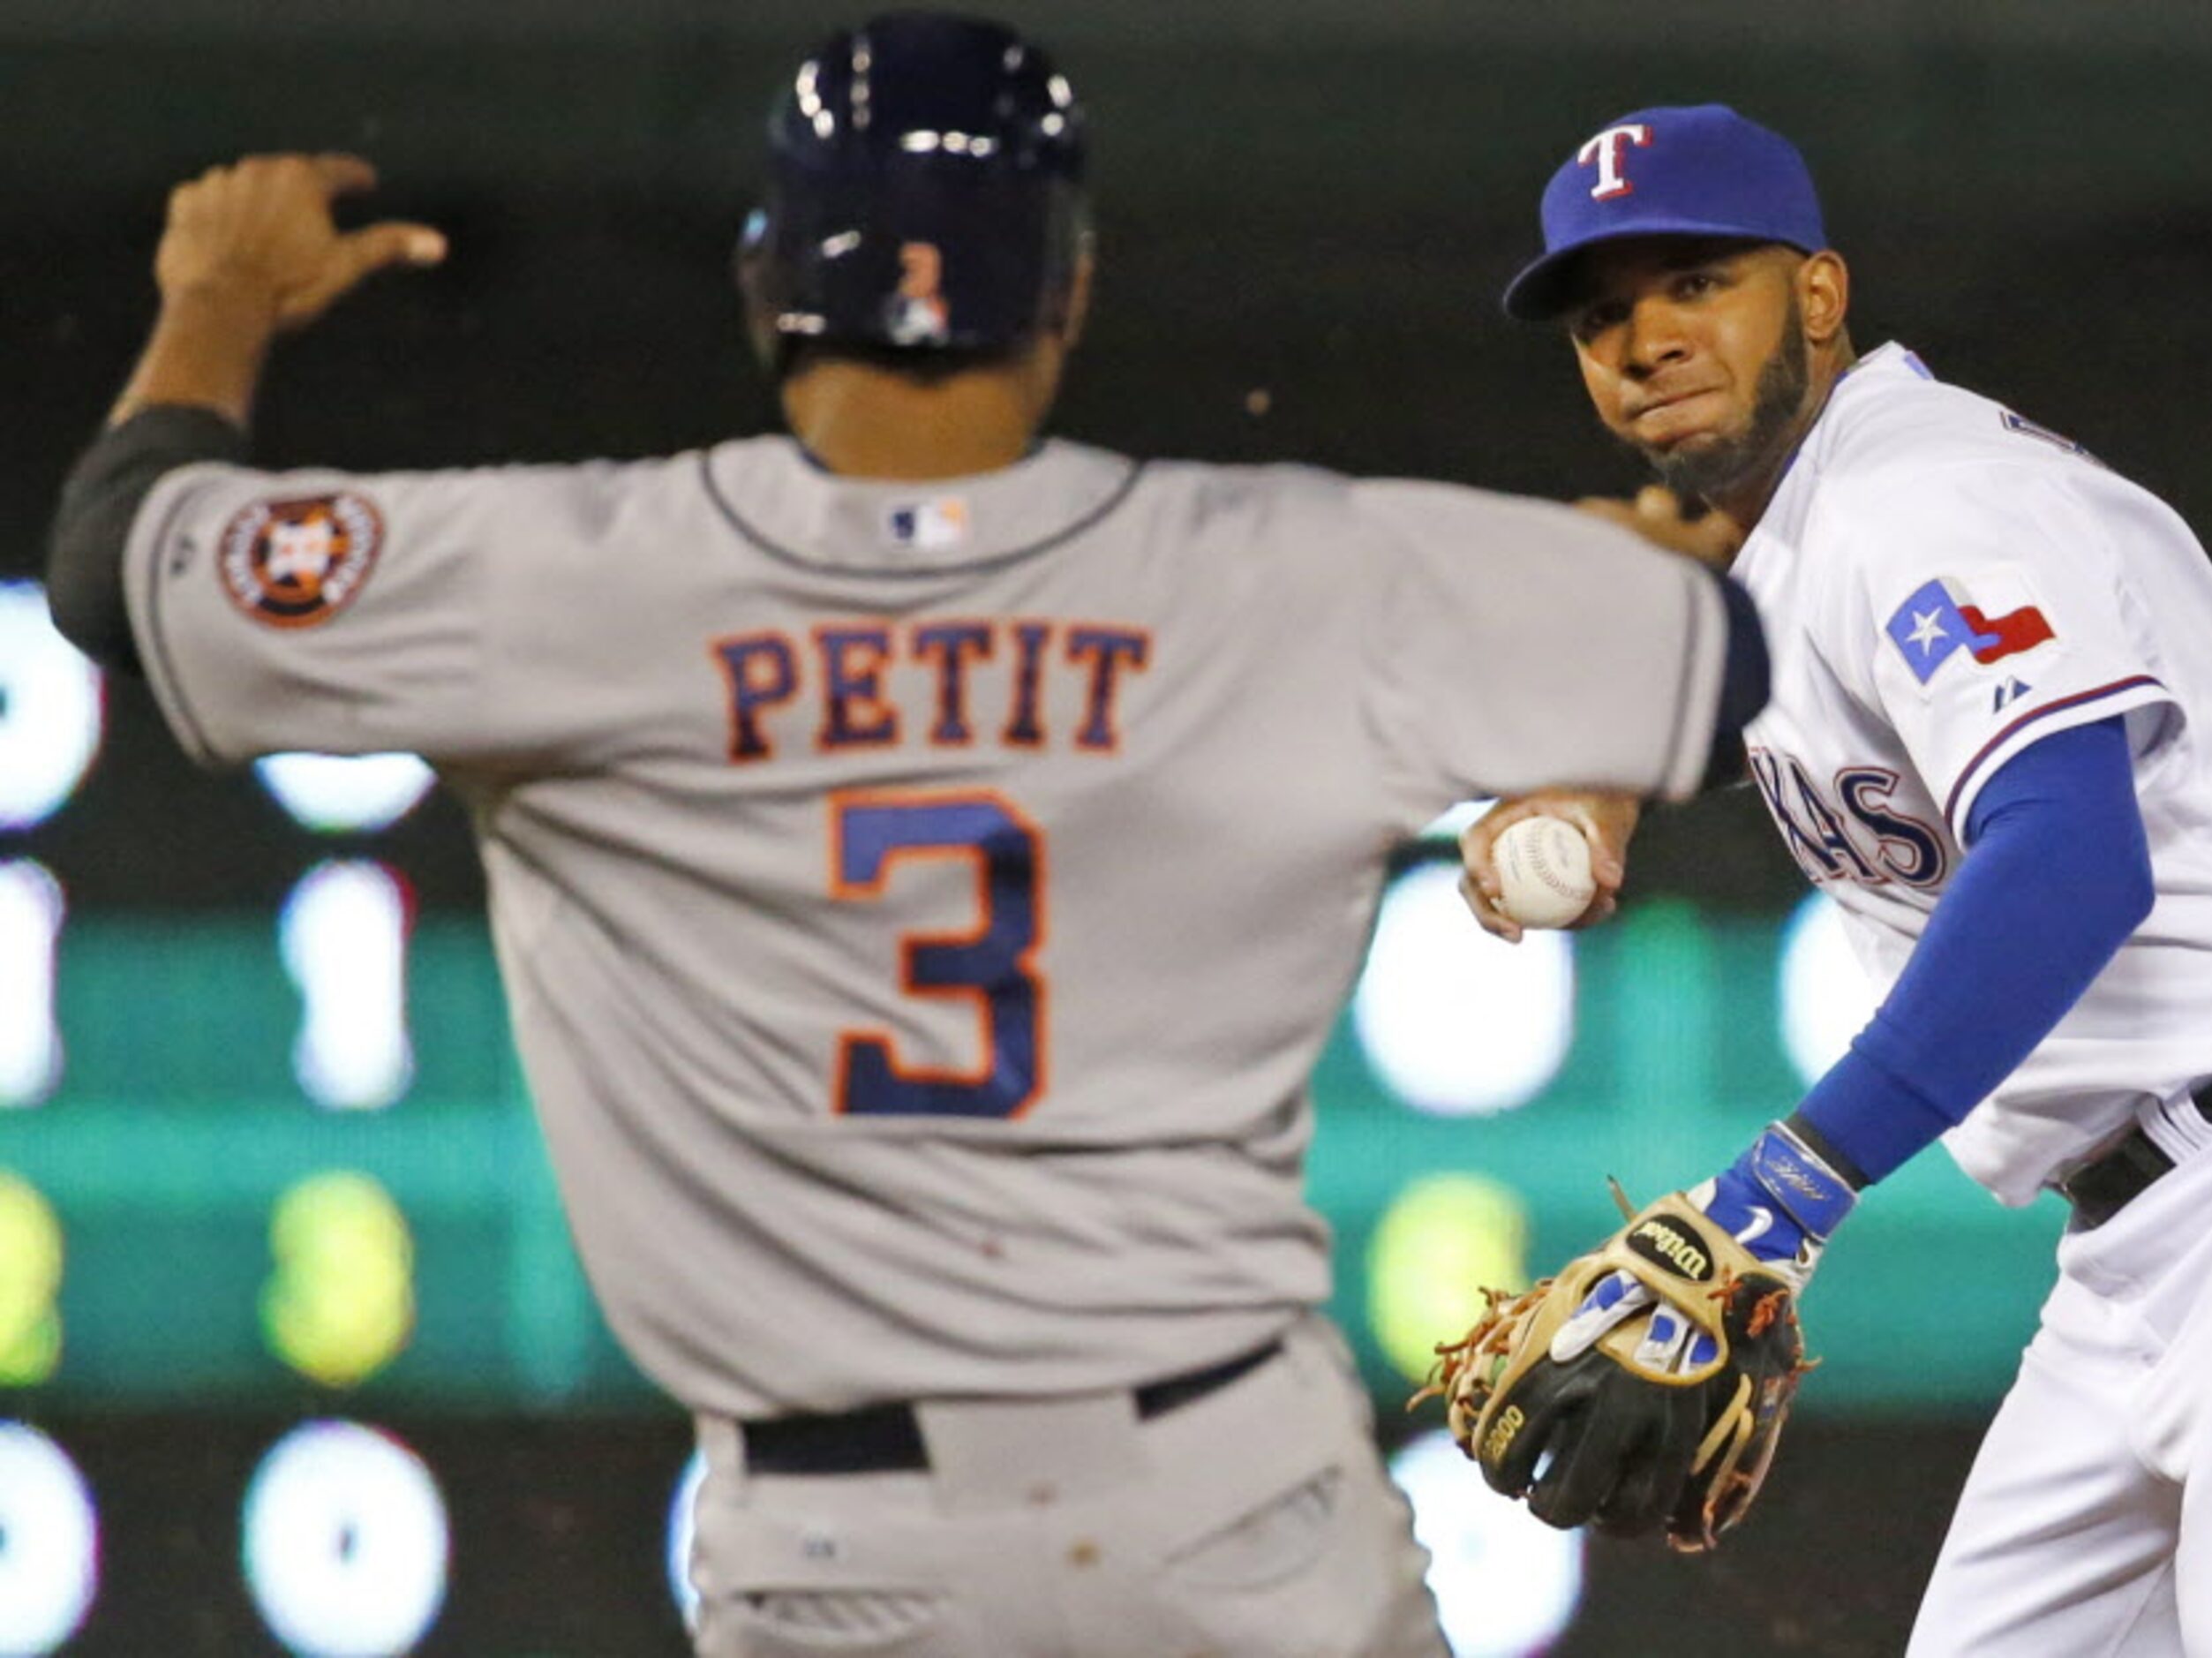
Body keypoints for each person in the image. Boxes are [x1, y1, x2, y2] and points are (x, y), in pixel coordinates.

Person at [41, 19, 1775, 1656]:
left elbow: (122, 560)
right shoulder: (1292, 570)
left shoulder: (569, 576)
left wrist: (216, 294)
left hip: (840, 1555)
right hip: (1236, 1507)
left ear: (763, 286)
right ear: (1069, 293)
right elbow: (1712, 679)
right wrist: (1631, 573)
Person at [1457, 102, 2212, 1655]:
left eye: (1693, 282)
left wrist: (1779, 1195)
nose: (1644, 338)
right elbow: (1745, 683)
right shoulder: (1806, 541)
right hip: (2145, 1242)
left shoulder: (1918, 498)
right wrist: (1596, 774)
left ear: (1814, 292)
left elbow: (2066, 856)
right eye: (1601, 314)